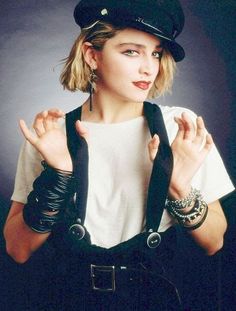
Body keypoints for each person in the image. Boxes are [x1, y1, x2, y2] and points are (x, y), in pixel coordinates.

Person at [3, 0, 235, 310]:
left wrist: (178, 186)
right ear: (91, 54)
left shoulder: (178, 126)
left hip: (153, 300)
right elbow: (18, 249)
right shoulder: (52, 134)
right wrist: (57, 176)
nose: (148, 67)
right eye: (131, 51)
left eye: (156, 53)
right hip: (67, 300)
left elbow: (214, 241)